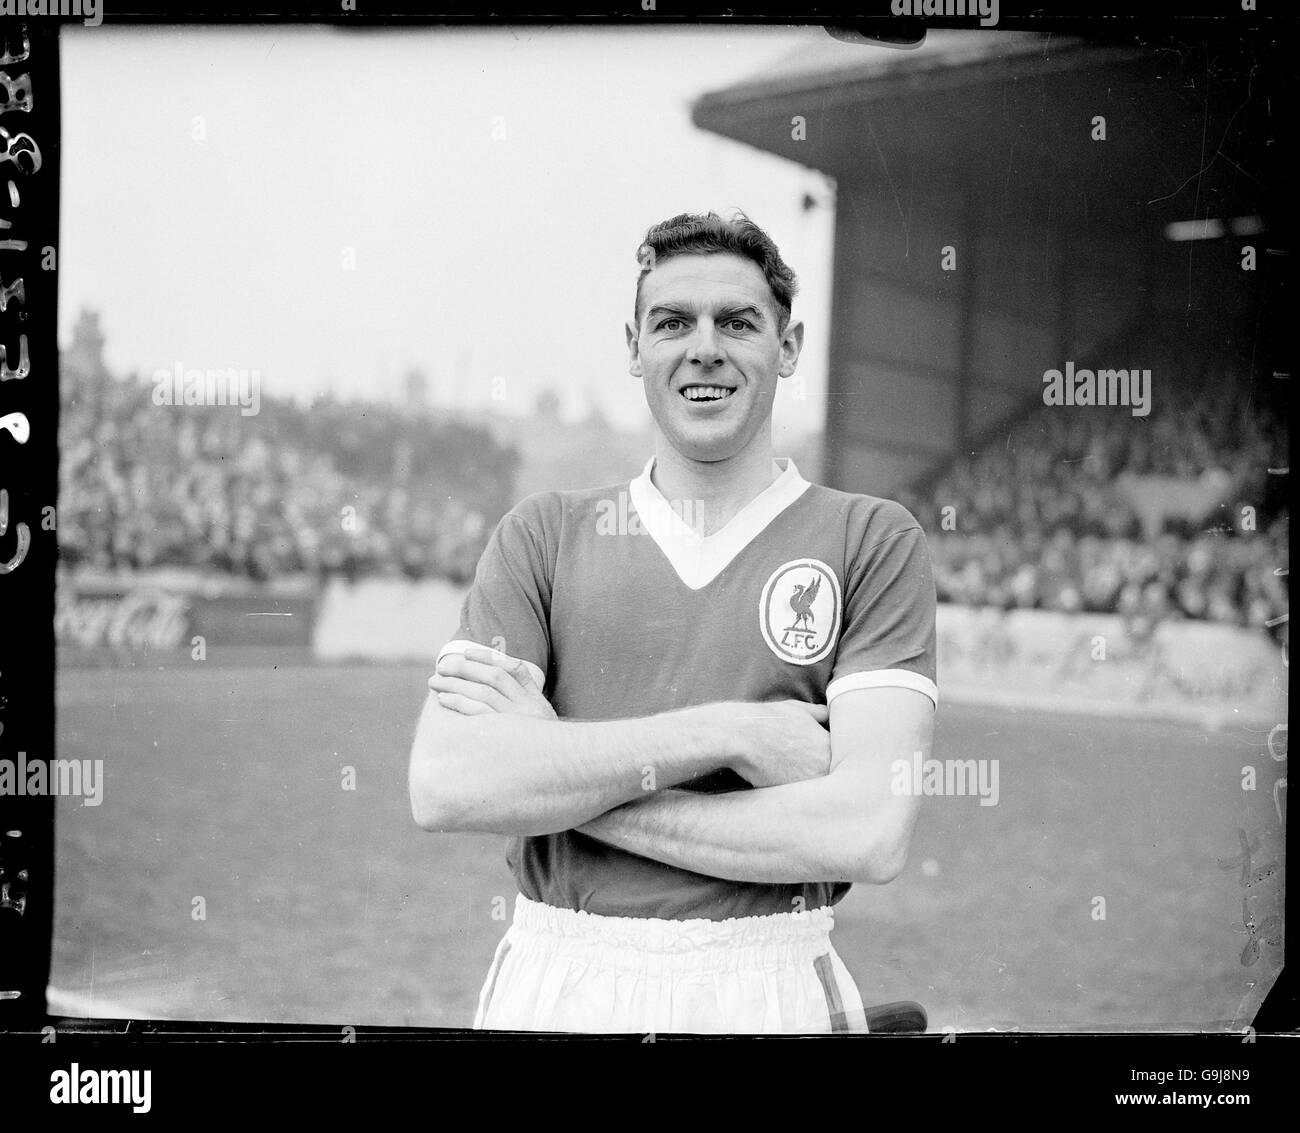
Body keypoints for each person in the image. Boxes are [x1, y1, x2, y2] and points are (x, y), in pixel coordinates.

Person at [407, 210, 938, 1034]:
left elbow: (869, 829)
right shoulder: (544, 532)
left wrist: (556, 785)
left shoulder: (870, 538)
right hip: (560, 977)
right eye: (672, 323)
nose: (704, 347)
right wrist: (730, 733)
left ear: (788, 348)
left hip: (770, 979)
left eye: (737, 322)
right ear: (633, 347)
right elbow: (447, 782)